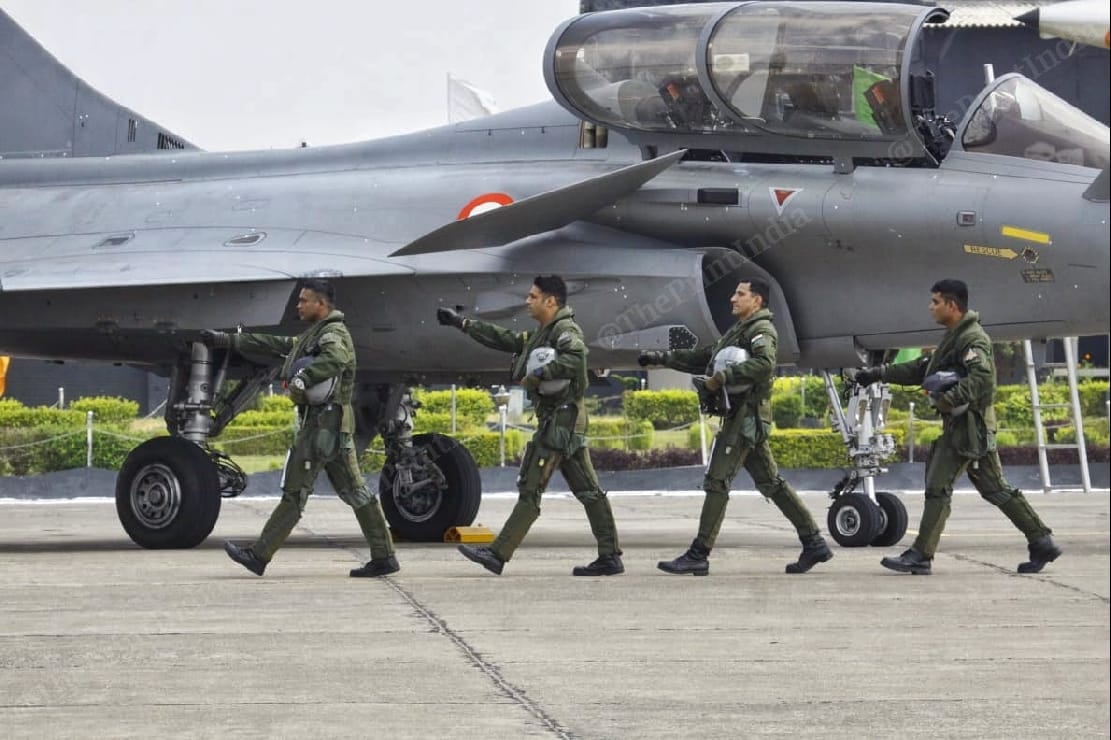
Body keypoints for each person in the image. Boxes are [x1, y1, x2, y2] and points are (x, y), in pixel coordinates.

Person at [854, 279, 1061, 575]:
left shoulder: (972, 339)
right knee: (996, 489)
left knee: (938, 487)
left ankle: (921, 555)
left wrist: (947, 400)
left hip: (967, 428)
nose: (931, 307)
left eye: (936, 302)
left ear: (952, 305)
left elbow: (981, 380)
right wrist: (879, 373)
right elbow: (923, 370)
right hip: (971, 427)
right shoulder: (955, 336)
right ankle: (1042, 541)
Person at [201, 279, 397, 578]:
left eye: (304, 300)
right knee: (356, 492)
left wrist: (305, 378)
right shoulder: (315, 335)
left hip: (321, 428)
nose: (299, 305)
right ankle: (384, 556)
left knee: (295, 492)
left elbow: (336, 359)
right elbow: (280, 346)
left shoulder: (332, 335)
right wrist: (228, 341)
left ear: (322, 304)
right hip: (332, 428)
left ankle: (258, 555)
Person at [639, 278, 833, 576]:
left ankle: (699, 553)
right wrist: (661, 358)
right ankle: (814, 542)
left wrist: (725, 377)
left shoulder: (761, 330)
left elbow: (765, 363)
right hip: (742, 418)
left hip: (745, 418)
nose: (733, 298)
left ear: (757, 301)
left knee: (717, 482)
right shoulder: (739, 330)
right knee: (771, 483)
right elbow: (704, 357)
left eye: (740, 294)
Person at [437, 275, 623, 576]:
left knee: (530, 487)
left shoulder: (564, 330)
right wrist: (463, 324)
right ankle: (610, 556)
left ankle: (498, 554)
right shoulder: (543, 333)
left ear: (551, 301)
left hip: (560, 422)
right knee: (589, 491)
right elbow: (505, 339)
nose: (527, 301)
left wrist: (538, 375)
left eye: (533, 296)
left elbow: (577, 359)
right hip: (564, 421)